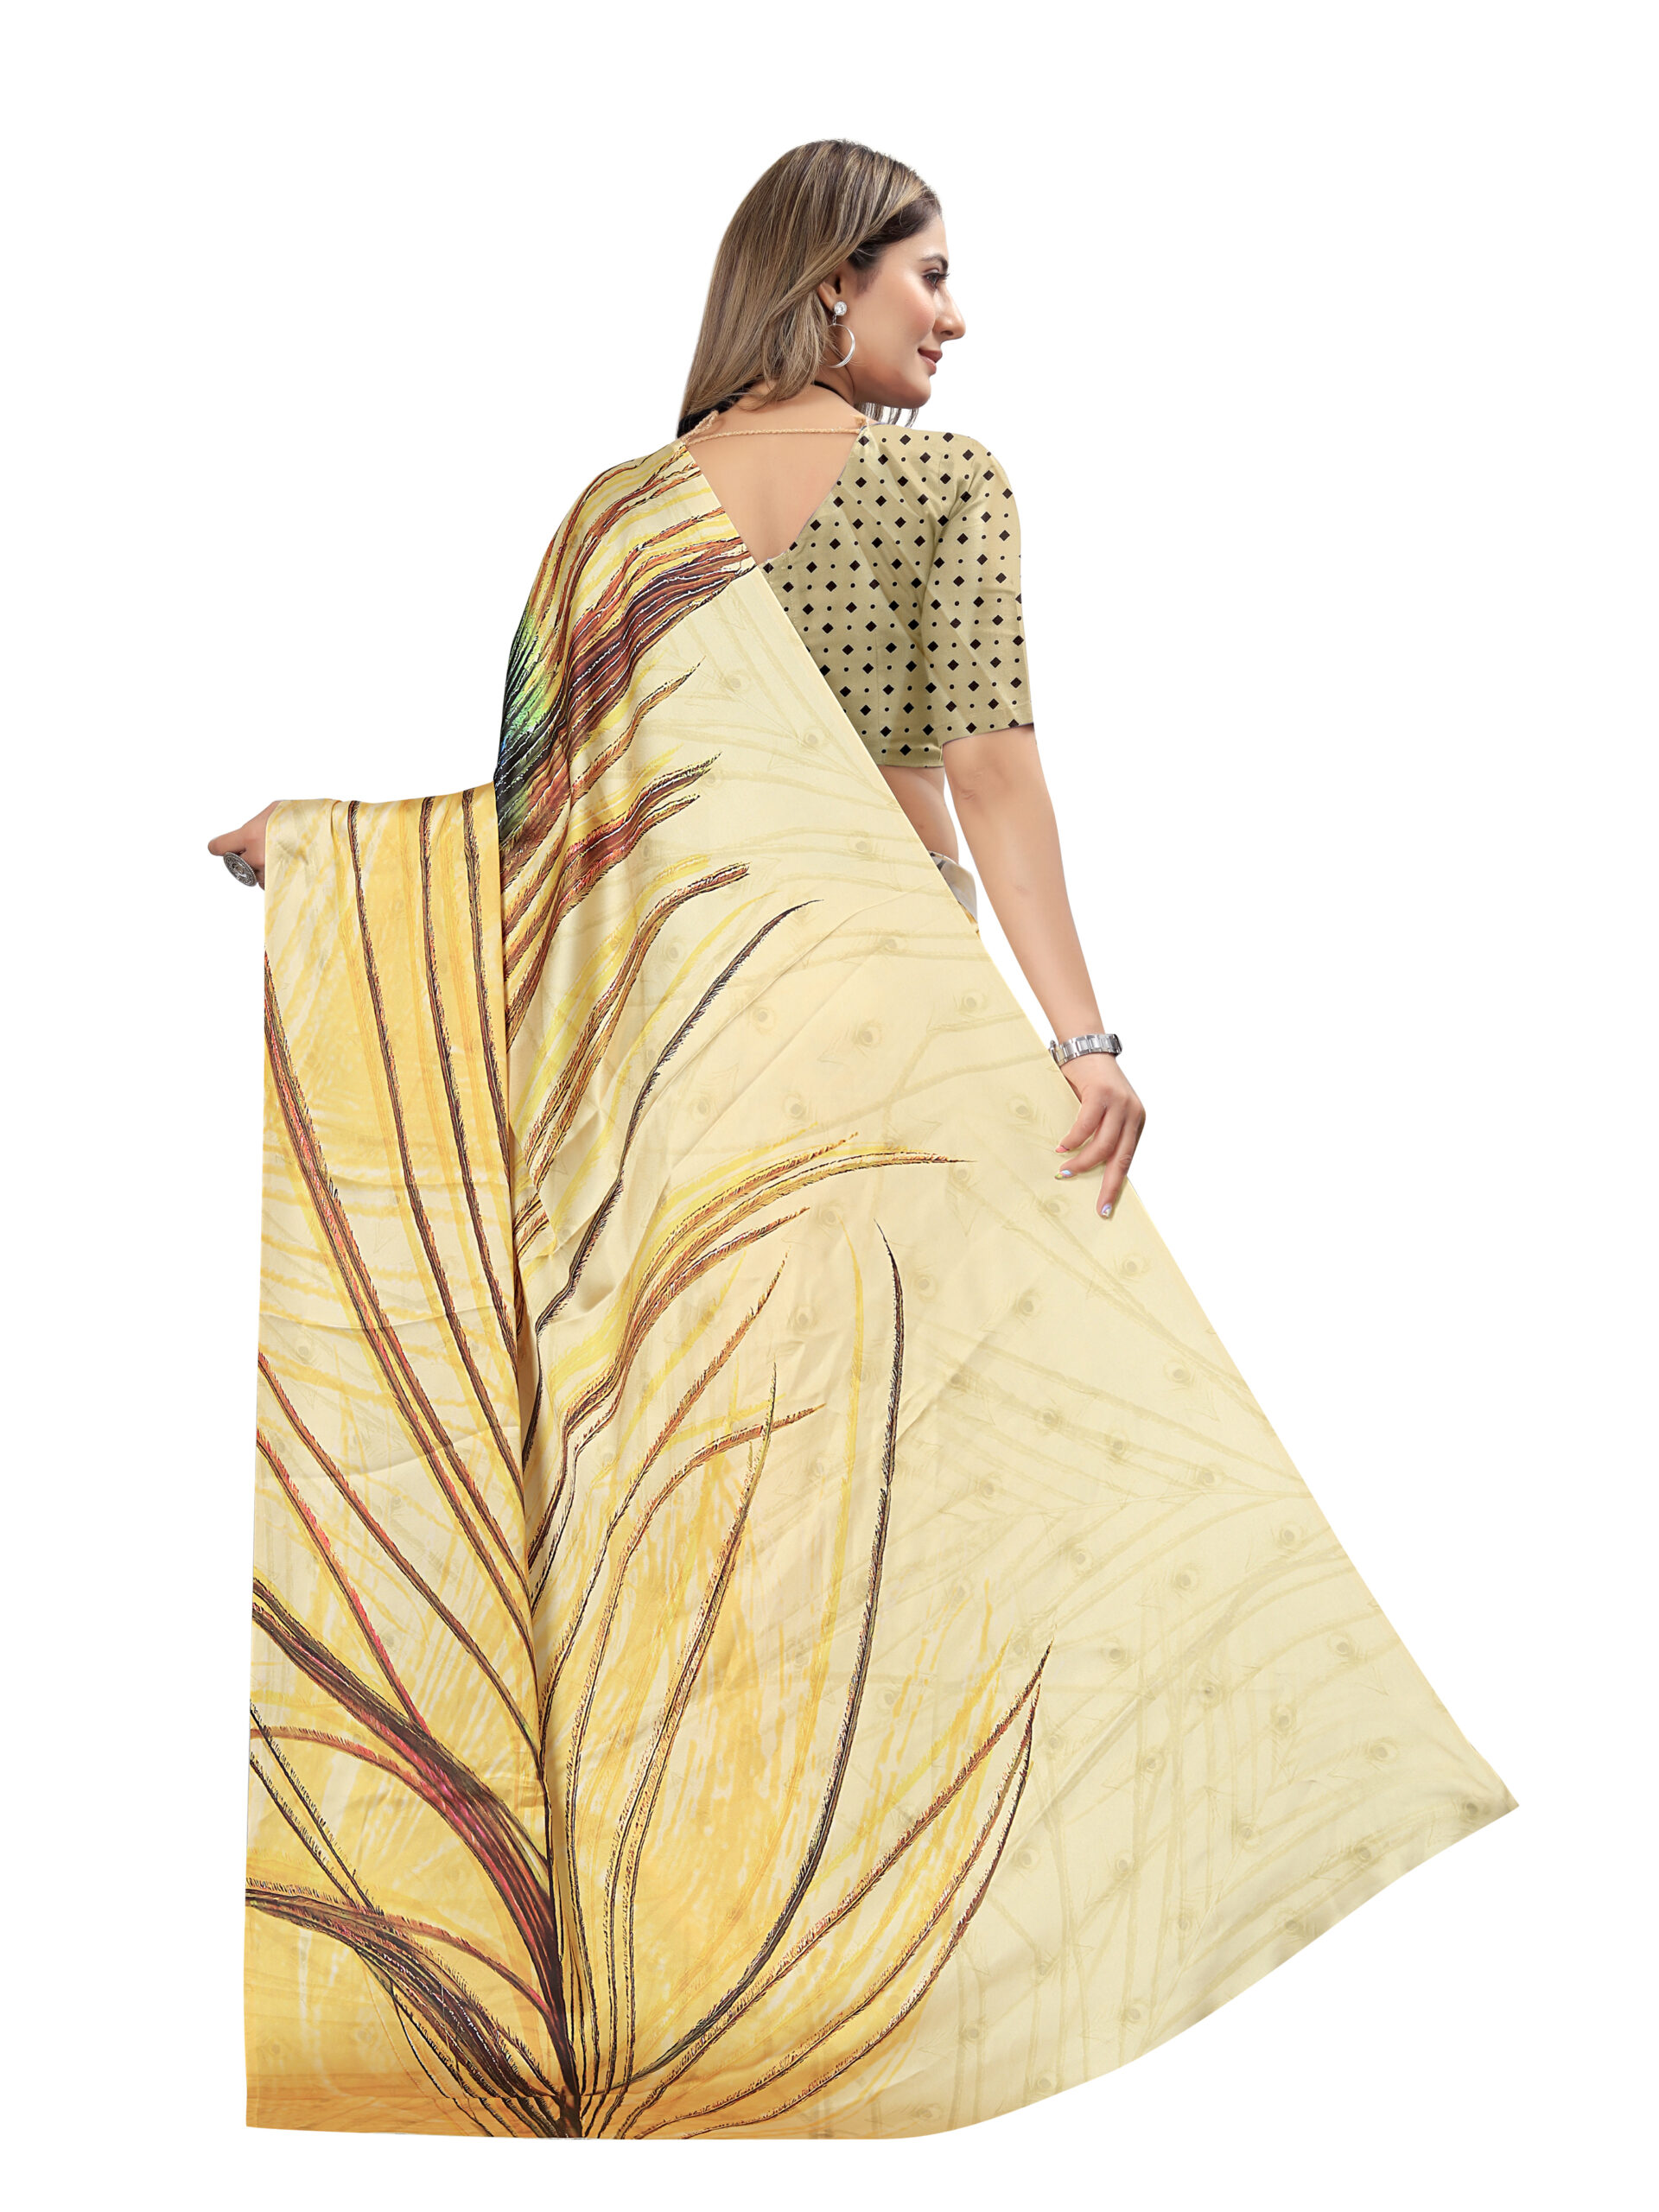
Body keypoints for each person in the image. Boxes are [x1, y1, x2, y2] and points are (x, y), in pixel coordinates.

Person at [220, 141, 1515, 2140]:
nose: (957, 316)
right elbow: (987, 771)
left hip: (679, 1085)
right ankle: (915, 1979)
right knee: (976, 1482)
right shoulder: (940, 483)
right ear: (829, 281)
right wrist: (1083, 1035)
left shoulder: (615, 520)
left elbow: (546, 837)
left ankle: (683, 1984)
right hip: (889, 1047)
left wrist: (327, 851)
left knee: (699, 1507)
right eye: (929, 272)